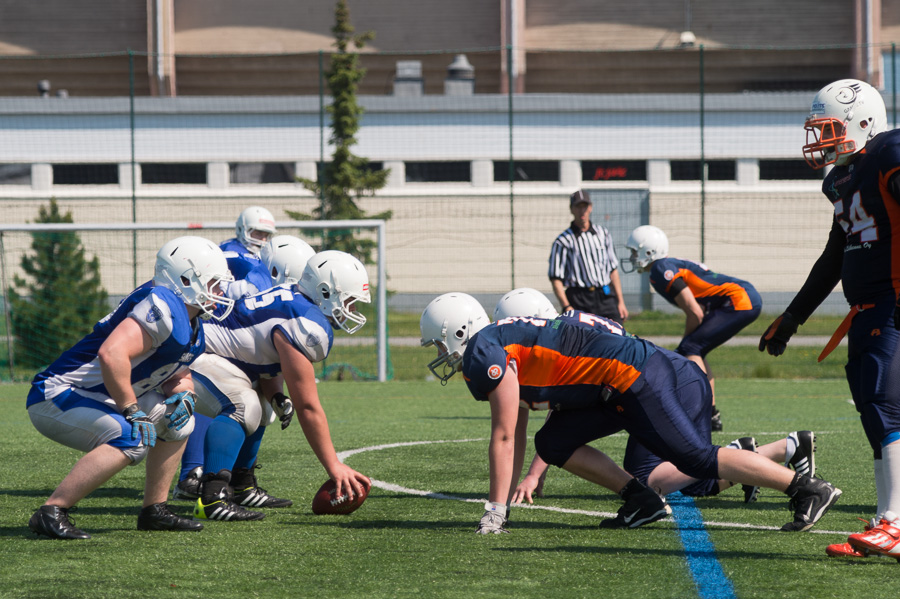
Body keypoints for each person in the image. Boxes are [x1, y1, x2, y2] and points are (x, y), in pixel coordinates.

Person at [421, 292, 841, 535]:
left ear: (457, 332)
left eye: (439, 346)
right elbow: (519, 428)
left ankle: (806, 488)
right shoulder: (497, 341)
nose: (441, 357)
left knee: (694, 457)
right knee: (552, 442)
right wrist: (518, 487)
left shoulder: (482, 352)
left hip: (630, 376)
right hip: (611, 383)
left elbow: (503, 436)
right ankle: (641, 500)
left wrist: (495, 510)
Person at [493, 288, 814, 507]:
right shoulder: (571, 327)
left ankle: (789, 471)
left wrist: (534, 474)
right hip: (665, 378)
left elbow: (556, 413)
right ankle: (778, 450)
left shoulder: (557, 345)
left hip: (659, 385)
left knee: (663, 476)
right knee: (690, 479)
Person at [758, 78, 900, 560]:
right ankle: (887, 522)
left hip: (894, 301)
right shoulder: (840, 179)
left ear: (863, 123)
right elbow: (836, 254)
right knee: (873, 412)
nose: (821, 141)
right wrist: (794, 316)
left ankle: (897, 523)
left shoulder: (888, 153)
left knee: (885, 402)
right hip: (865, 309)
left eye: (830, 129)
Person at [26, 236, 235, 539]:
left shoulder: (190, 324)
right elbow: (111, 354)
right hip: (60, 394)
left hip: (98, 395)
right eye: (214, 283)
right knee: (132, 436)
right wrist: (131, 409)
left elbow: (177, 373)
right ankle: (52, 510)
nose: (220, 292)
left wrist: (185, 396)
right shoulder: (162, 304)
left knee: (179, 423)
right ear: (186, 278)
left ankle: (155, 510)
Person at [190, 249, 370, 521]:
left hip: (210, 351)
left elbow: (260, 349)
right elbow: (308, 406)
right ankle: (212, 497)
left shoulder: (295, 300)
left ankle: (240, 484)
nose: (352, 310)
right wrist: (334, 465)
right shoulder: (305, 322)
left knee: (263, 406)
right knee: (242, 406)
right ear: (325, 292)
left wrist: (275, 394)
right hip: (193, 353)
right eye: (350, 301)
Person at [172, 207, 280, 501]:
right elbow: (230, 288)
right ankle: (194, 474)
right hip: (215, 335)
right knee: (219, 402)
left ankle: (238, 480)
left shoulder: (255, 259)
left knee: (253, 406)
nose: (260, 239)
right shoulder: (232, 254)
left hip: (235, 338)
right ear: (243, 229)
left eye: (266, 234)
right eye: (257, 232)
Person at [623, 225, 762, 432]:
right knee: (695, 348)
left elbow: (695, 312)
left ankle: (701, 410)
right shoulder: (665, 267)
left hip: (739, 300)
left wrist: (685, 344)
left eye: (635, 252)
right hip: (742, 297)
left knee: (691, 348)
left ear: (649, 251)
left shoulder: (660, 270)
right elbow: (699, 311)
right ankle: (711, 413)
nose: (633, 257)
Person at [548, 189, 628, 324]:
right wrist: (566, 306)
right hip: (579, 298)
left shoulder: (603, 234)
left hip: (605, 295)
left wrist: (620, 301)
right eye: (578, 207)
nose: (582, 211)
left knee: (616, 335)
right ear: (572, 209)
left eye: (584, 206)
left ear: (590, 207)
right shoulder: (563, 241)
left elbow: (612, 270)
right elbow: (556, 278)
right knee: (581, 340)